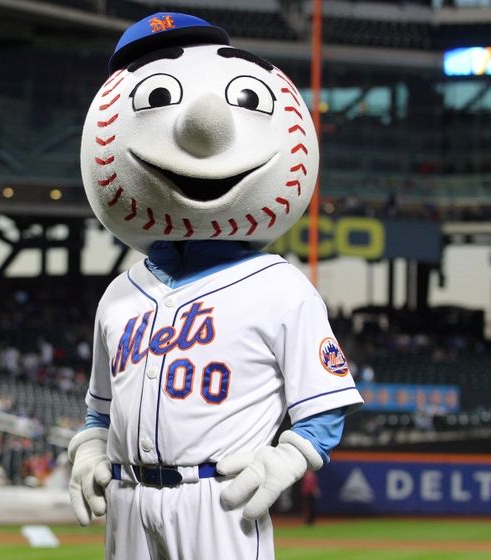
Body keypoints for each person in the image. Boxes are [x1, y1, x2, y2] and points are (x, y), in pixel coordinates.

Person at [67, 13, 363, 559]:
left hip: (218, 498)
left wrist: (288, 458)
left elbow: (325, 403)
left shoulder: (281, 287)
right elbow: (99, 410)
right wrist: (87, 450)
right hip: (128, 500)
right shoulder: (118, 295)